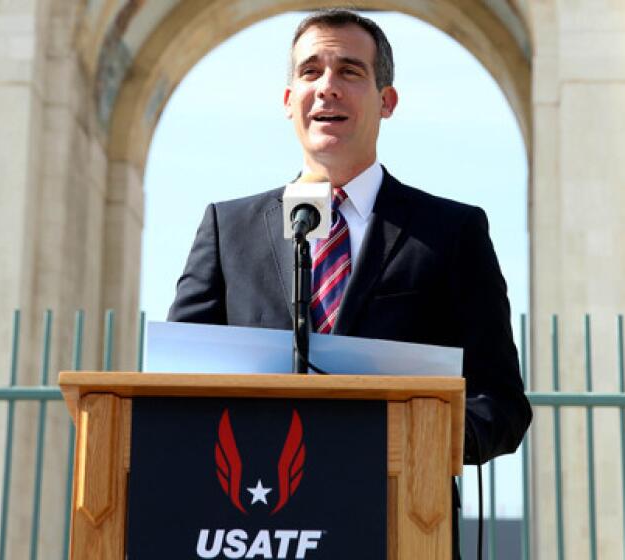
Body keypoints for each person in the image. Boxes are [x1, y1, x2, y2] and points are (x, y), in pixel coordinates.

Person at [167, 8, 532, 556]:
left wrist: (425, 440)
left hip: (402, 521)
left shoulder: (451, 233)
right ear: (288, 100)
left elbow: (500, 402)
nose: (327, 88)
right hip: (252, 523)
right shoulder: (227, 229)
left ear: (387, 101)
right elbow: (178, 386)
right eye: (310, 72)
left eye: (350, 72)